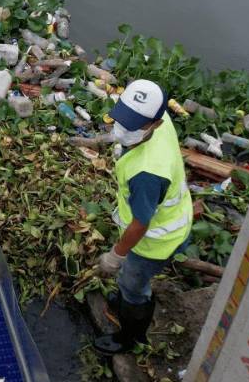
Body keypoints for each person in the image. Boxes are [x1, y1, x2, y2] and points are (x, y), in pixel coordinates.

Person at [93, 79, 193, 355]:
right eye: (122, 119)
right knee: (129, 282)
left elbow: (141, 223)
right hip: (171, 214)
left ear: (155, 124)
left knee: (133, 284)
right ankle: (126, 300)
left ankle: (130, 337)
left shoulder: (147, 173)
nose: (122, 129)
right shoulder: (161, 121)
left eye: (132, 125)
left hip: (155, 241)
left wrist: (117, 254)